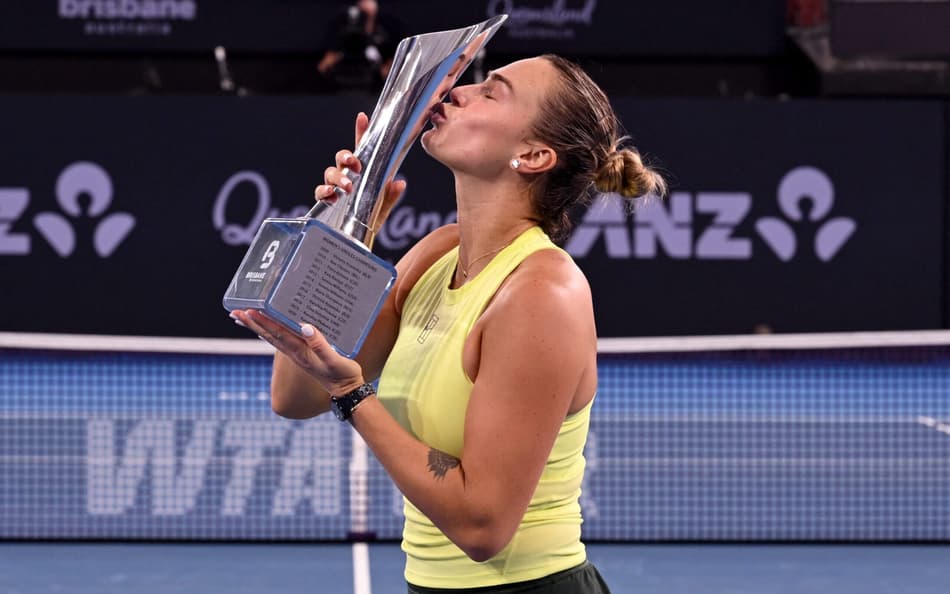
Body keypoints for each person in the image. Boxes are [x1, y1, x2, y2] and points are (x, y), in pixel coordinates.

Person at [231, 54, 665, 593]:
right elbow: (295, 397)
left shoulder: (541, 293)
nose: (459, 91)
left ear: (532, 155)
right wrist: (349, 227)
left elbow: (482, 525)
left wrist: (352, 393)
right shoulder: (438, 254)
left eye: (492, 91)